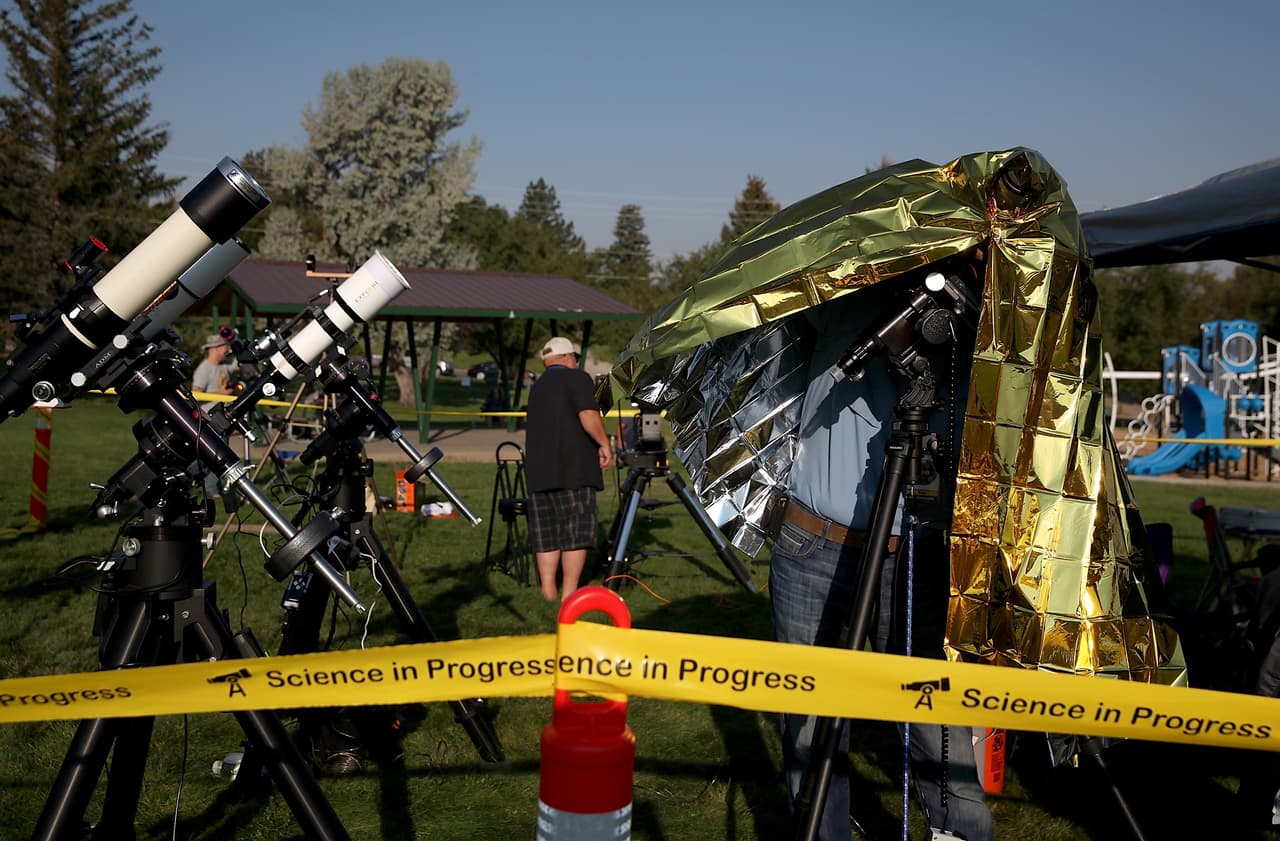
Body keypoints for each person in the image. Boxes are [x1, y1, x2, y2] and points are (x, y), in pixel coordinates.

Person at [770, 256, 992, 841]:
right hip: (814, 538)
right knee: (811, 718)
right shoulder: (842, 290)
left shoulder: (974, 330)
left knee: (934, 713)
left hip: (914, 548)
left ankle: (962, 831)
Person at [524, 336, 614, 602]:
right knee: (576, 530)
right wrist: (604, 444)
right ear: (567, 357)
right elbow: (587, 414)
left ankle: (547, 591)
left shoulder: (537, 387)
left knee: (546, 533)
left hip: (539, 472)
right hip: (573, 469)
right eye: (574, 357)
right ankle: (569, 594)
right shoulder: (577, 379)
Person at [191, 334, 236, 399]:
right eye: (225, 346)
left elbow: (239, 365)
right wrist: (221, 394)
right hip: (211, 409)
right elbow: (195, 394)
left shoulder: (224, 365)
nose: (228, 349)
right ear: (216, 348)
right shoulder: (204, 369)